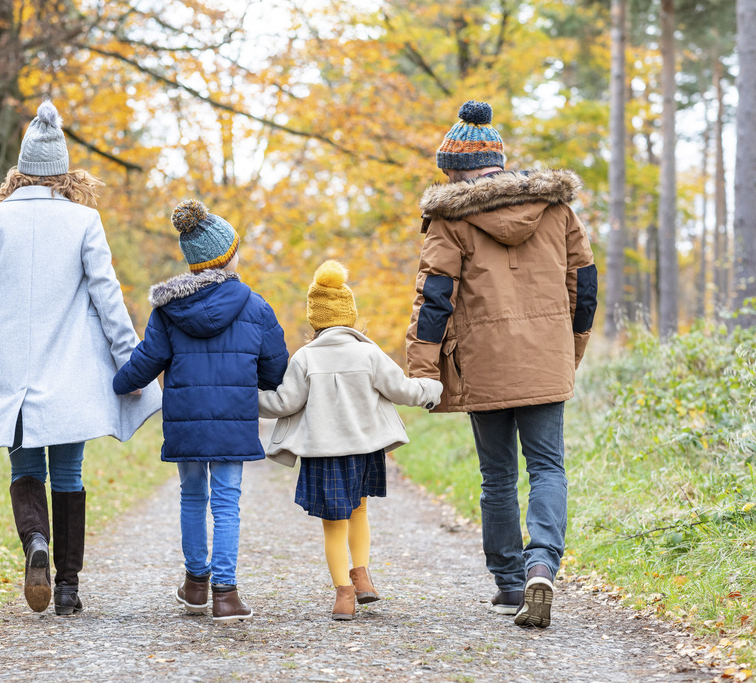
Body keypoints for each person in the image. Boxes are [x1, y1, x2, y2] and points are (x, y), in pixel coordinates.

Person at [0, 101, 161, 616]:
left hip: (14, 378)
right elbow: (110, 299)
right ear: (64, 173)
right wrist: (131, 365)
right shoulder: (85, 221)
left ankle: (35, 544)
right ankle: (67, 587)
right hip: (69, 376)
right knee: (69, 474)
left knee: (24, 469)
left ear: (20, 170)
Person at [405, 100, 597, 628]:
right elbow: (585, 289)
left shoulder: (450, 220)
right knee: (547, 468)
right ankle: (542, 564)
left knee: (497, 476)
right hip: (546, 356)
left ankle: (511, 582)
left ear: (457, 171)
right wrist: (569, 349)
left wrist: (422, 371)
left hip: (482, 364)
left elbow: (434, 301)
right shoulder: (558, 210)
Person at [112, 199, 288, 624]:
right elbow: (276, 370)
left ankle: (195, 586)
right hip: (232, 422)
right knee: (227, 504)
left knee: (193, 498)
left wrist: (120, 385)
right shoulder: (256, 307)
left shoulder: (168, 311)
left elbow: (144, 363)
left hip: (186, 424)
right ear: (229, 256)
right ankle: (225, 596)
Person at [258, 260, 443, 621]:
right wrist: (431, 389)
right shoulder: (369, 353)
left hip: (323, 454)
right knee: (360, 511)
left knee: (333, 523)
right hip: (364, 450)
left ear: (315, 319)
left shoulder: (305, 358)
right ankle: (363, 577)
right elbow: (403, 389)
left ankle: (344, 594)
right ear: (350, 315)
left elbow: (284, 403)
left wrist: (244, 399)